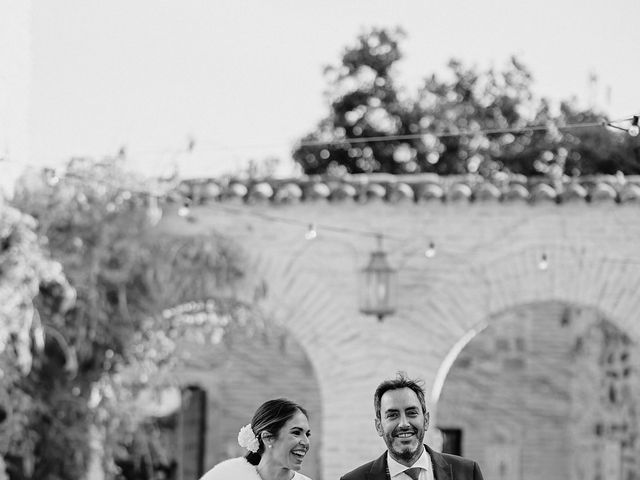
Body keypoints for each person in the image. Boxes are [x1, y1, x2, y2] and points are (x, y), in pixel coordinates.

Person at [340, 373, 484, 480]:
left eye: (411, 413)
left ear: (426, 420)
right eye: (392, 415)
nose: (403, 424)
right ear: (379, 426)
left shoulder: (467, 472)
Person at [199, 398, 312, 480]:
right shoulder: (227, 476)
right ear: (268, 437)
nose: (306, 442)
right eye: (296, 433)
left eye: (307, 434)